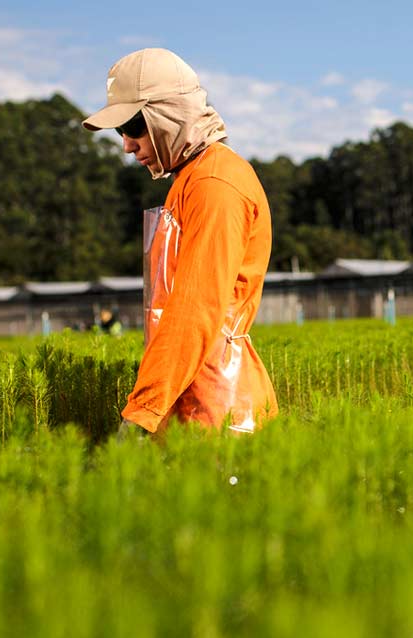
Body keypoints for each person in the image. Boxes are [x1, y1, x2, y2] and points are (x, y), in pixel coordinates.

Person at [83, 48, 278, 434]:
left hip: (220, 416)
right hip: (193, 403)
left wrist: (142, 413)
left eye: (134, 126)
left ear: (169, 114)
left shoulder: (214, 185)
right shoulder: (189, 180)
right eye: (120, 131)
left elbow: (195, 309)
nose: (126, 144)